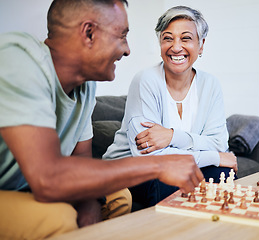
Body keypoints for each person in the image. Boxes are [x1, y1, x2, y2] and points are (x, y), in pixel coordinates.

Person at [0, 1, 203, 239]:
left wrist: (89, 208)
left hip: (33, 185)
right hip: (23, 186)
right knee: (57, 217)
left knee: (118, 197)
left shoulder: (84, 86)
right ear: (89, 33)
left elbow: (81, 159)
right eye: (122, 36)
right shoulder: (18, 58)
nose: (127, 50)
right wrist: (159, 166)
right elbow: (47, 177)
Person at [104, 6, 237, 204]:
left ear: (201, 46)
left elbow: (218, 144)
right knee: (167, 182)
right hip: (131, 170)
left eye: (186, 38)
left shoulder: (210, 84)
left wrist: (172, 136)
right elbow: (148, 156)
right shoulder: (146, 80)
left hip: (174, 166)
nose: (176, 47)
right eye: (168, 38)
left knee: (224, 174)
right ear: (160, 43)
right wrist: (215, 157)